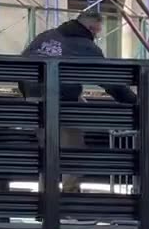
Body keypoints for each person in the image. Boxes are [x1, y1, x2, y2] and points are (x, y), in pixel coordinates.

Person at [20, 10, 138, 193]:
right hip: (59, 101)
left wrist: (27, 96)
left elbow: (22, 64)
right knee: (72, 148)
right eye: (97, 32)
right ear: (91, 28)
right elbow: (111, 81)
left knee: (47, 148)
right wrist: (135, 102)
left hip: (34, 99)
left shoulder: (45, 36)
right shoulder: (84, 45)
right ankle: (69, 195)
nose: (96, 36)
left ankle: (45, 196)